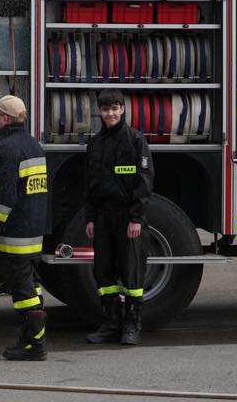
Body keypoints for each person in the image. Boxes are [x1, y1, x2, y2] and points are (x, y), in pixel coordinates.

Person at [0, 94, 50, 361]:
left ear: (6, 119)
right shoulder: (33, 145)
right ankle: (35, 337)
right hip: (32, 230)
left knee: (22, 292)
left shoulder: (6, 149)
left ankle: (33, 345)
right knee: (33, 285)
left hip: (14, 234)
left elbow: (2, 198)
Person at [83, 88, 153, 346]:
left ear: (122, 109)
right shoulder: (95, 143)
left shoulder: (135, 140)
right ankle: (112, 323)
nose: (110, 113)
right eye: (105, 109)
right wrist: (90, 218)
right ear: (99, 112)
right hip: (102, 218)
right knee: (103, 274)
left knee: (132, 275)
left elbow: (144, 182)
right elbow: (90, 184)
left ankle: (132, 325)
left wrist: (136, 218)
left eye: (114, 108)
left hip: (128, 219)